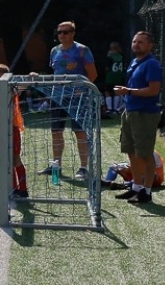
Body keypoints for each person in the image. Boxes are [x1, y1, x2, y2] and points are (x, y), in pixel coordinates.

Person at [112, 30, 163, 205]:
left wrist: (128, 91)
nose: (136, 45)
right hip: (130, 111)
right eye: (134, 42)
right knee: (132, 152)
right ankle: (136, 187)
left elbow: (154, 90)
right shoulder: (135, 62)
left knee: (145, 154)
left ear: (150, 45)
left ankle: (146, 192)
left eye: (141, 42)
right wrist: (127, 93)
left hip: (145, 114)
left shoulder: (152, 64)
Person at [48, 20, 98, 179]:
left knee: (80, 132)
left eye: (66, 32)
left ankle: (83, 168)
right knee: (56, 132)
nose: (62, 35)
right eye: (59, 32)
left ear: (73, 33)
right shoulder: (54, 51)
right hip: (57, 96)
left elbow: (93, 74)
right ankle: (56, 166)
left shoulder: (82, 50)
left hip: (78, 98)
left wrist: (82, 89)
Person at [0, 64, 29, 199]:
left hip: (11, 130)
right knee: (5, 161)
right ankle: (12, 188)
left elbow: (22, 87)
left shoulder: (11, 92)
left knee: (15, 159)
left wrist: (30, 77)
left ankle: (23, 189)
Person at [103, 40, 128, 115]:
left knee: (107, 92)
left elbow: (107, 68)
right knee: (117, 92)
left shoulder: (110, 57)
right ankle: (116, 109)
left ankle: (110, 109)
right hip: (118, 77)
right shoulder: (121, 56)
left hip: (110, 77)